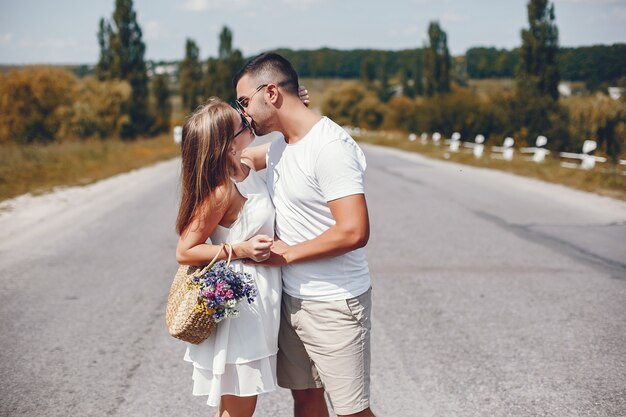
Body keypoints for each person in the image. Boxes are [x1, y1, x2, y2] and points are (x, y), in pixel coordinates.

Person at [236, 53, 376, 417]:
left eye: (244, 102)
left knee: (351, 412)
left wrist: (289, 254)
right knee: (306, 399)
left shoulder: (330, 148)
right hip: (292, 299)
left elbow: (355, 230)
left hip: (334, 303)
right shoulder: (283, 144)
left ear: (270, 93)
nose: (243, 113)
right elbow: (240, 159)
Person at [175, 97, 280, 417]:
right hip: (242, 307)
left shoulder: (245, 163)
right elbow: (185, 250)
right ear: (227, 144)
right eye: (242, 125)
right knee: (238, 410)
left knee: (238, 407)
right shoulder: (221, 190)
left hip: (261, 298)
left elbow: (289, 142)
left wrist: (294, 104)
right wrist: (241, 249)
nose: (248, 122)